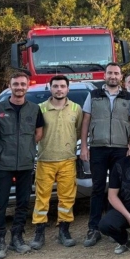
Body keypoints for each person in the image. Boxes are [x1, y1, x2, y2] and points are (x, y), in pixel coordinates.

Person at [0, 72, 44, 259]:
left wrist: (27, 148)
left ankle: (17, 237)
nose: (19, 87)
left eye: (22, 84)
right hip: (4, 164)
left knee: (23, 202)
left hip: (26, 164)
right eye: (15, 84)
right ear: (10, 85)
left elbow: (38, 133)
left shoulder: (34, 109)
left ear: (28, 86)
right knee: (0, 203)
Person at [81, 63, 130, 247]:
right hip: (98, 147)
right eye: (110, 73)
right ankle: (94, 228)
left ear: (120, 77)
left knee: (118, 189)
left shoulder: (127, 97)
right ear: (104, 75)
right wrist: (84, 146)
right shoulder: (93, 95)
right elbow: (86, 121)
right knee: (98, 188)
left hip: (121, 148)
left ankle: (114, 226)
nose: (113, 76)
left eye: (116, 73)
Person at [30, 75, 83, 250]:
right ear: (50, 88)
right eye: (55, 86)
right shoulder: (40, 109)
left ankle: (64, 231)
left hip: (68, 160)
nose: (59, 89)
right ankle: (39, 233)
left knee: (67, 198)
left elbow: (79, 130)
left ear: (68, 89)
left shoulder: (76, 109)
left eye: (62, 86)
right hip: (45, 160)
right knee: (41, 198)